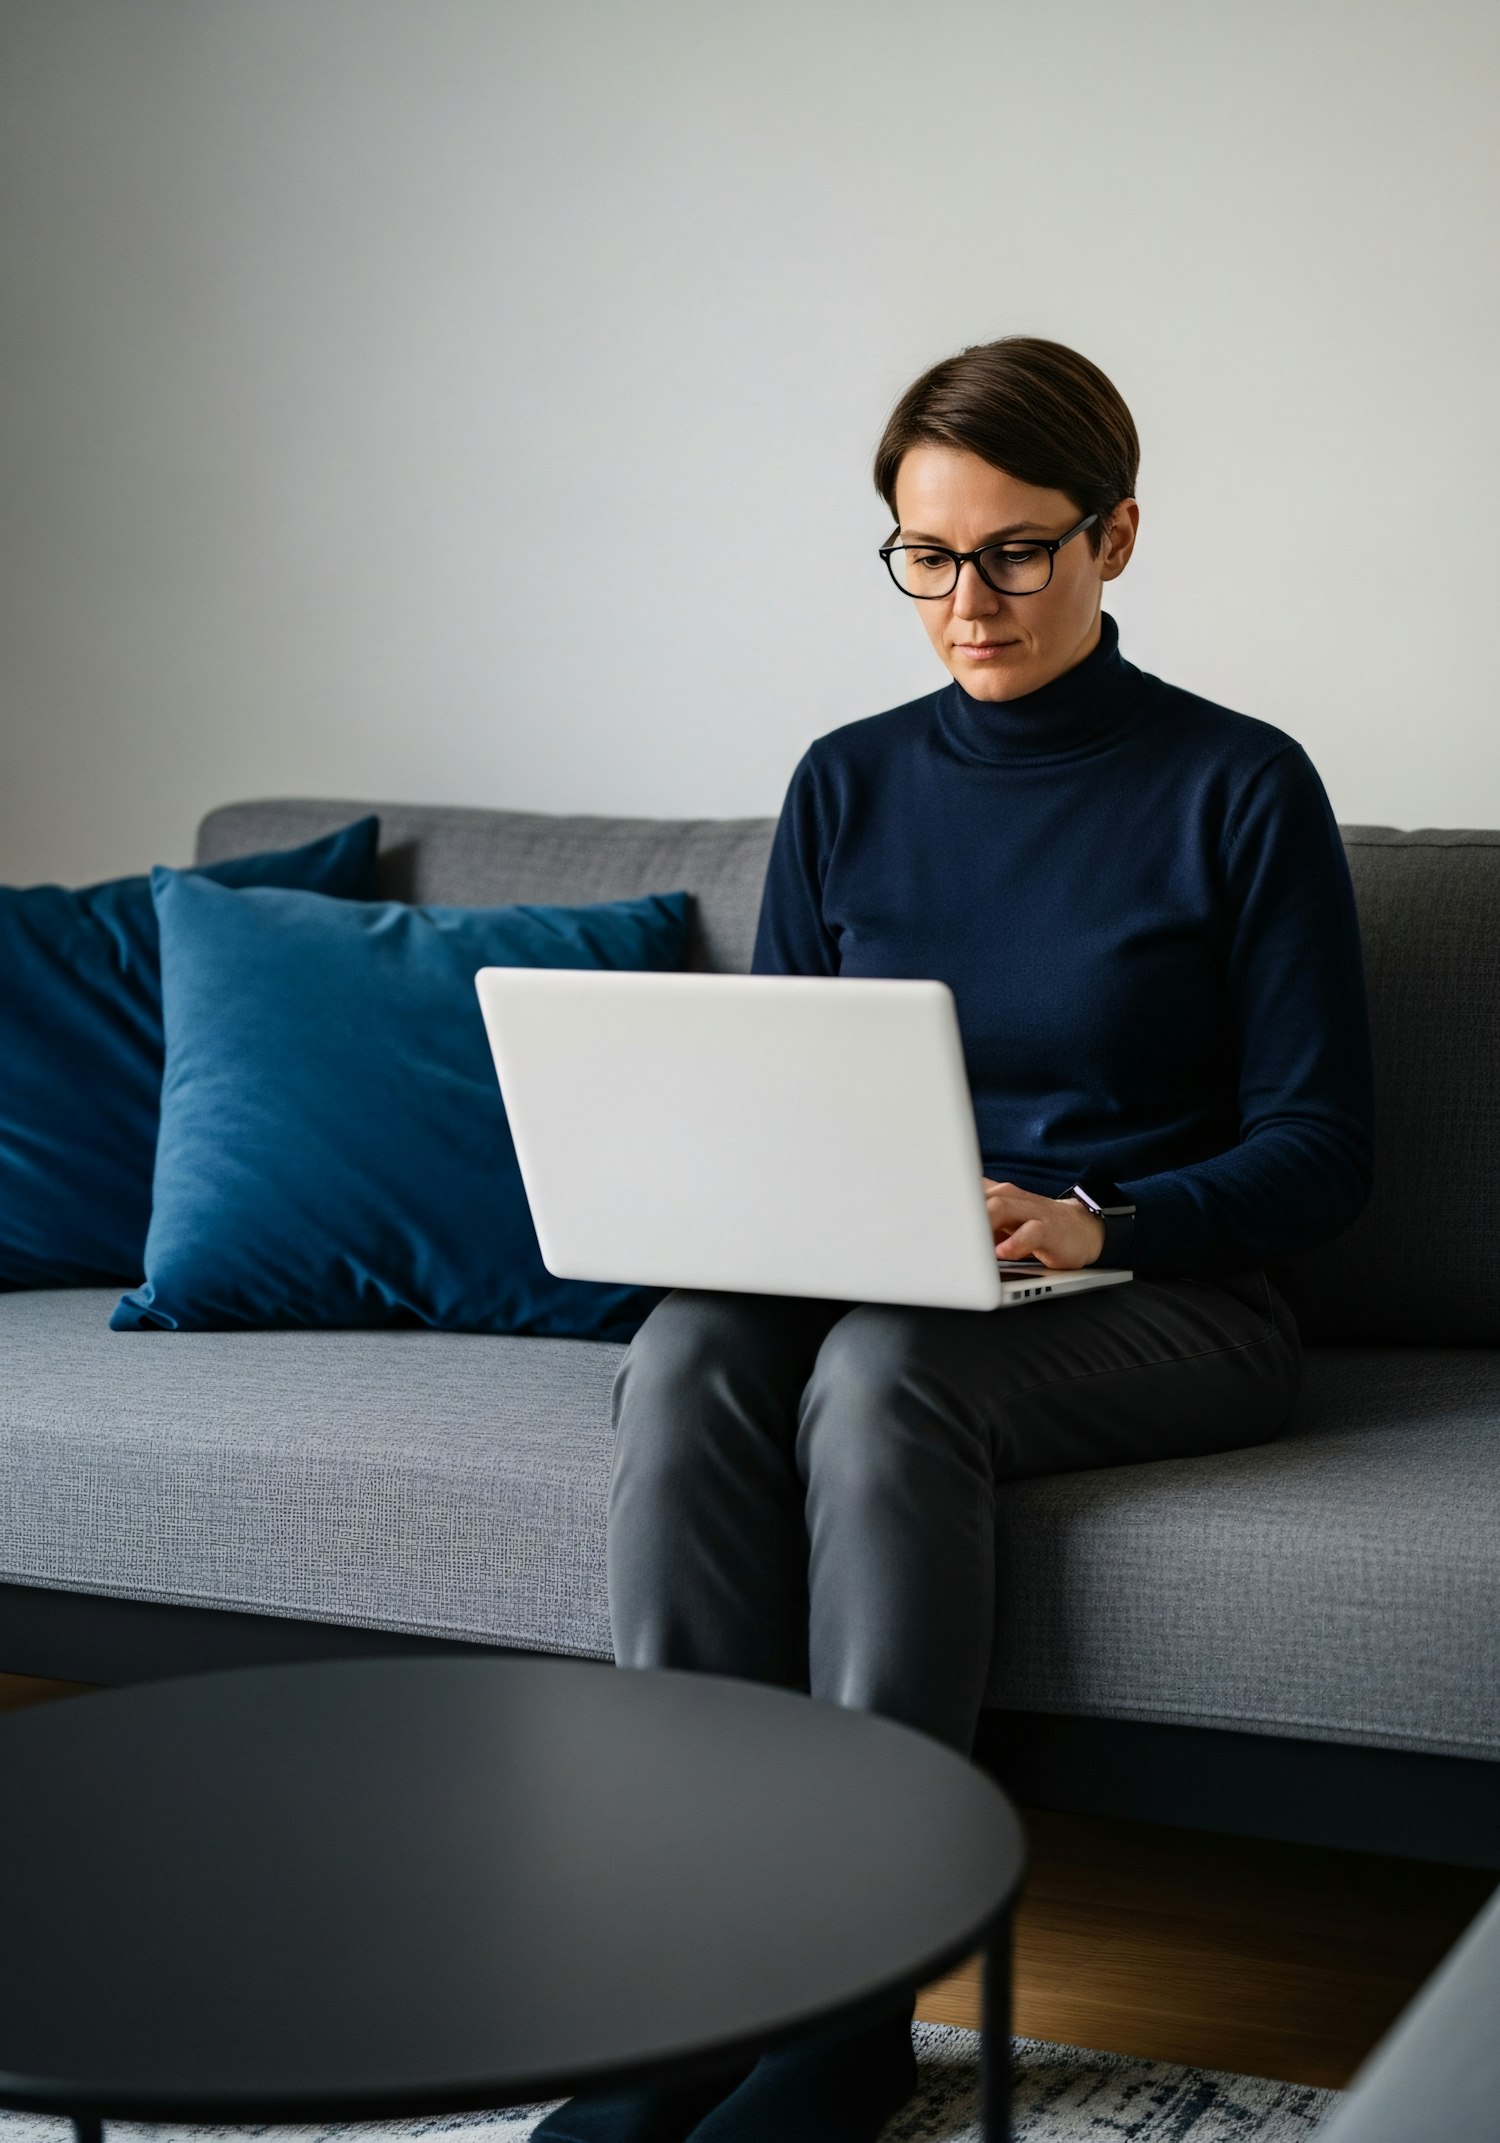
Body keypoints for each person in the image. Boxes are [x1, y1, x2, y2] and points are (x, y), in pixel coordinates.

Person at [532, 336, 1375, 2142]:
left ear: (1116, 540)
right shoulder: (848, 781)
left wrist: (1094, 1220)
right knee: (686, 1348)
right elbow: (780, 1092)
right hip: (893, 1270)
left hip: (1174, 1291)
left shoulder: (1241, 787)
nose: (967, 600)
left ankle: (845, 2002)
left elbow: (1324, 1151)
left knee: (889, 1373)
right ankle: (685, 1988)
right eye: (927, 553)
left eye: (1016, 551)